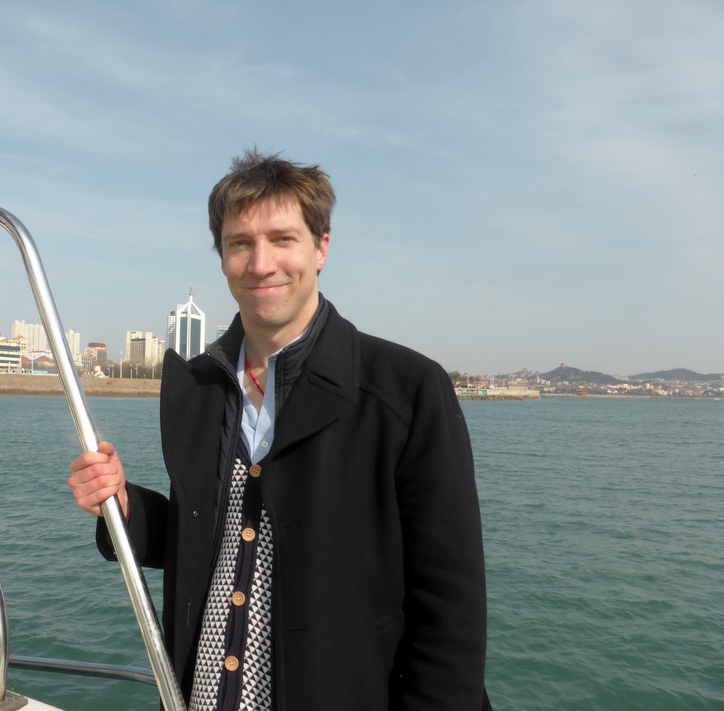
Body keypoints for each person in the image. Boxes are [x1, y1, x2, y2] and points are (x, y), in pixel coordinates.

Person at [69, 149, 490, 710]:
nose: (261, 263)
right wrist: (123, 507)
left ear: (321, 249)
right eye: (240, 242)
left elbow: (451, 604)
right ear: (221, 257)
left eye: (283, 239)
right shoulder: (199, 387)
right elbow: (207, 537)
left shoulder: (405, 390)